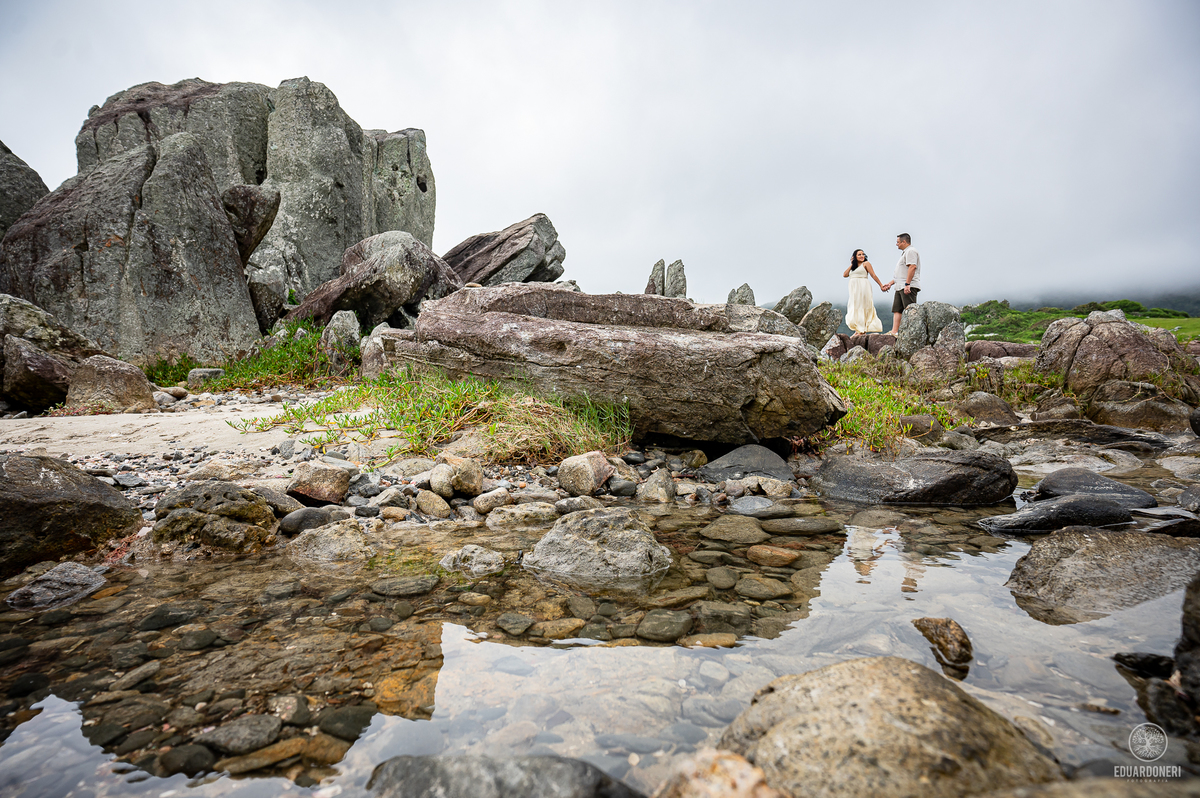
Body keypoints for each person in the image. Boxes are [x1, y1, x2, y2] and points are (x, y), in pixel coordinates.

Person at [882, 232, 920, 335]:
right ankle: (894, 332)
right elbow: (901, 273)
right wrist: (890, 283)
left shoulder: (911, 251)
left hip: (907, 286)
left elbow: (912, 267)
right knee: (897, 309)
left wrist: (907, 284)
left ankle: (912, 332)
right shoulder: (905, 252)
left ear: (904, 242)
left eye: (898, 242)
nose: (896, 244)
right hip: (900, 286)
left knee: (910, 309)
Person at [843, 249, 884, 334]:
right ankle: (858, 329)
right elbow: (845, 275)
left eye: (863, 254)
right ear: (854, 257)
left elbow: (873, 275)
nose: (862, 256)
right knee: (854, 307)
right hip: (854, 291)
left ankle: (862, 330)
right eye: (859, 254)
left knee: (863, 306)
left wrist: (881, 285)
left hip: (863, 287)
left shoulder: (866, 264)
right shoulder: (853, 267)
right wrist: (852, 263)